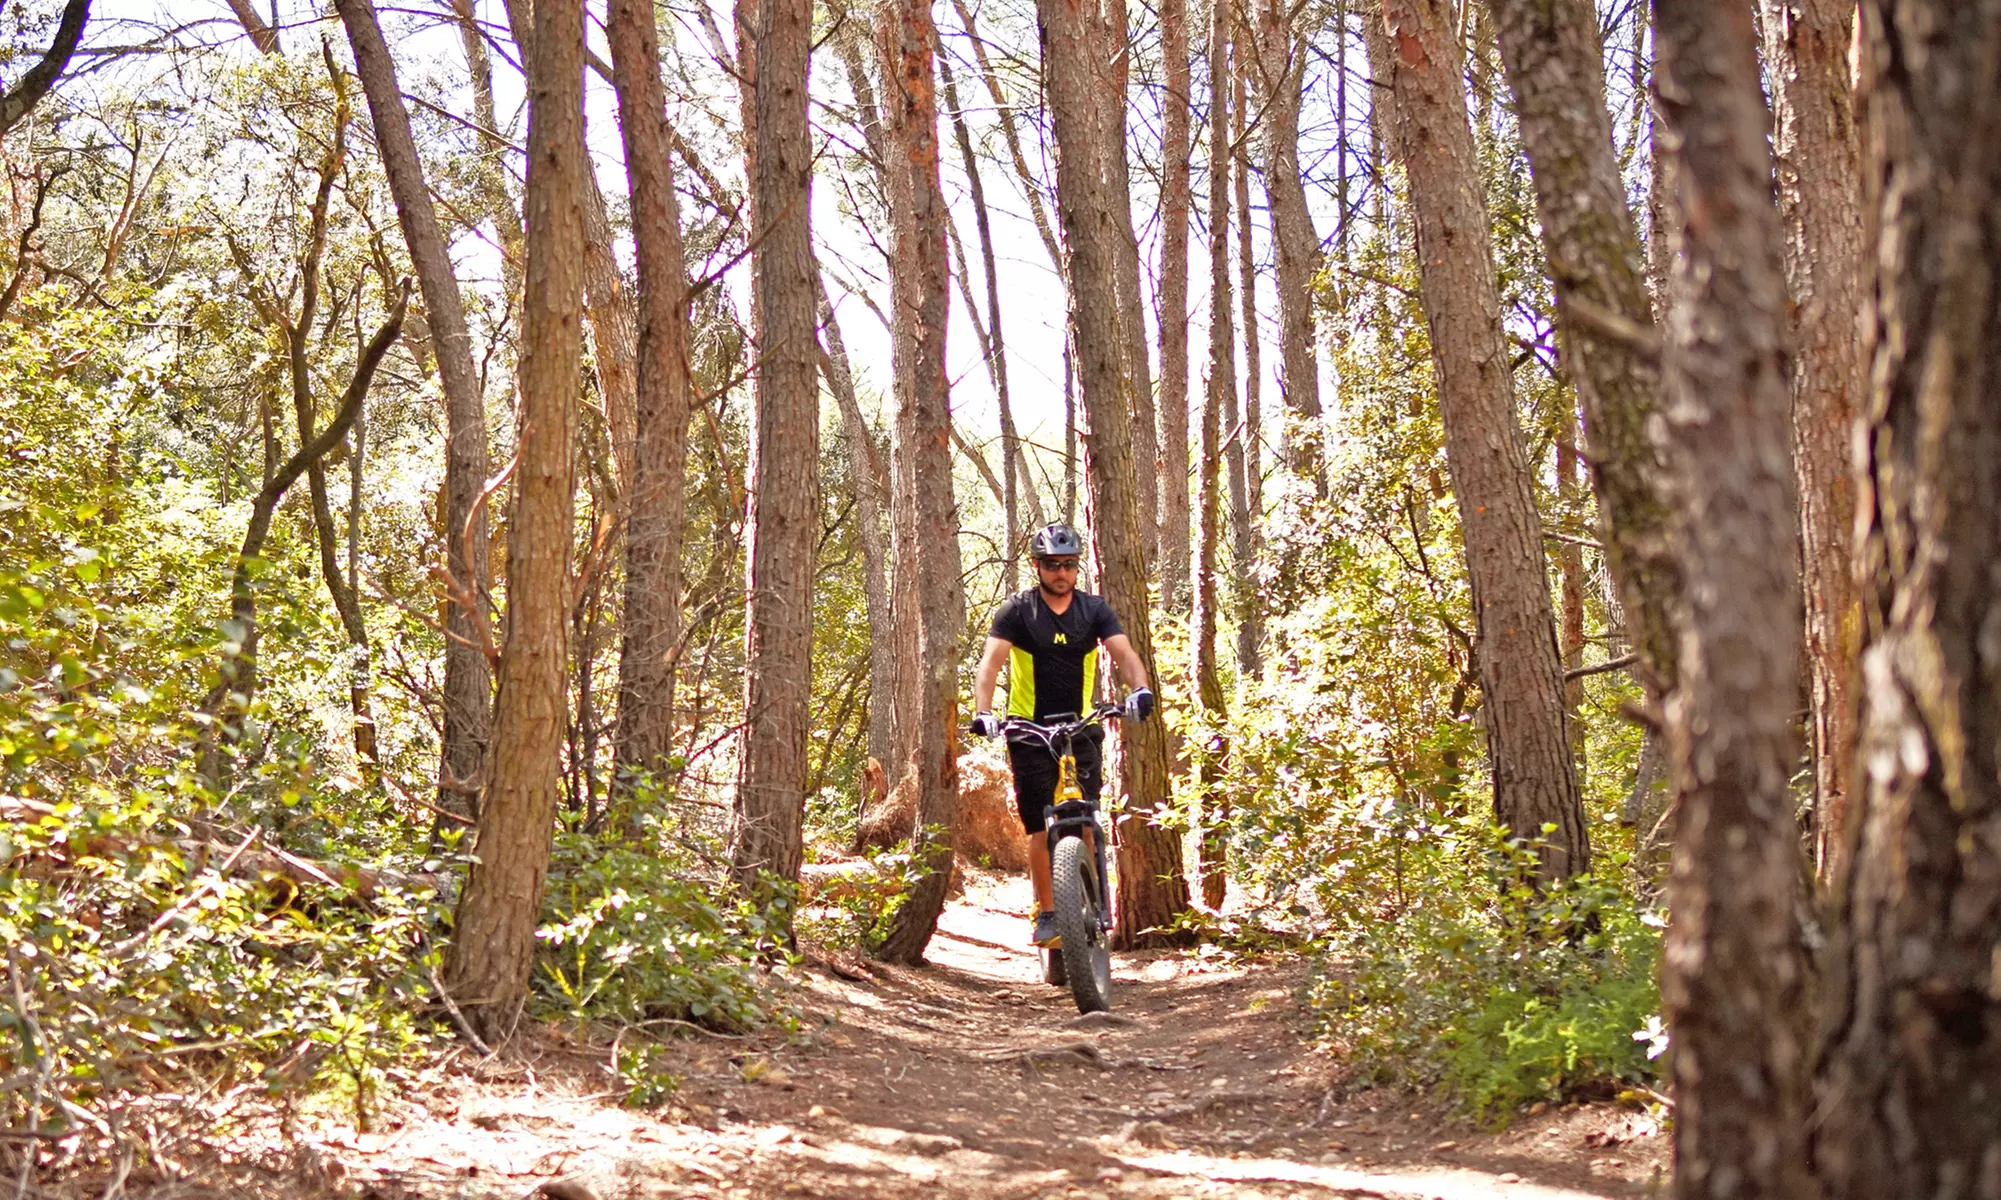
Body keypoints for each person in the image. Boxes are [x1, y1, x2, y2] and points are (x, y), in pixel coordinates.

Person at [968, 523, 1155, 947]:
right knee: (1041, 826)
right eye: (1052, 565)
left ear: (1077, 568)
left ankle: (1089, 905)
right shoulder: (1018, 611)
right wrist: (984, 713)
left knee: (1085, 820)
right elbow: (990, 664)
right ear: (1037, 566)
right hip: (1028, 731)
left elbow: (1123, 654)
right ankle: (1049, 913)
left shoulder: (1094, 610)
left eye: (1069, 565)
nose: (1061, 573)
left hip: (1082, 726)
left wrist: (1139, 689)